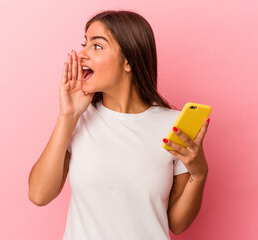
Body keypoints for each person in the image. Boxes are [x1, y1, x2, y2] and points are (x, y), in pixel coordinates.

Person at [28, 10, 210, 240]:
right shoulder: (78, 119)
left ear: (128, 61)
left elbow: (177, 223)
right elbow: (38, 195)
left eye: (97, 46)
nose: (81, 54)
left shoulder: (173, 125)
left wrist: (200, 173)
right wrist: (67, 116)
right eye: (85, 43)